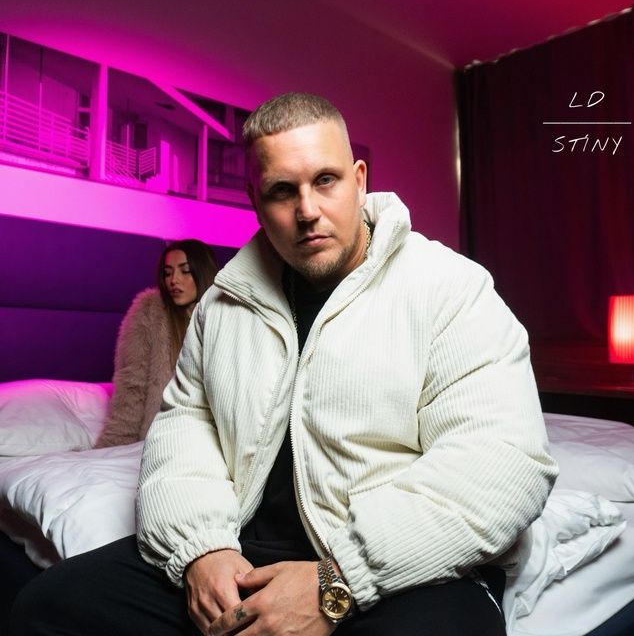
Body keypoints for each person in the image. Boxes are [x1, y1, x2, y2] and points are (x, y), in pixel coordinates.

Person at [10, 93, 558, 636]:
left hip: (401, 565)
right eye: (282, 190)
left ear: (359, 180)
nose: (308, 210)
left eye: (326, 180)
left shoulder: (450, 288)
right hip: (242, 552)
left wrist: (336, 581)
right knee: (47, 607)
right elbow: (184, 432)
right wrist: (201, 549)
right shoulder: (223, 303)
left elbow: (503, 464)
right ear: (255, 199)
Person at [95, 239, 219, 447]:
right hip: (163, 437)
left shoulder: (224, 316)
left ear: (202, 273)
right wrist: (114, 445)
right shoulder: (150, 313)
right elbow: (132, 387)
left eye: (185, 271)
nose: (174, 280)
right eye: (167, 273)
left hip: (211, 438)